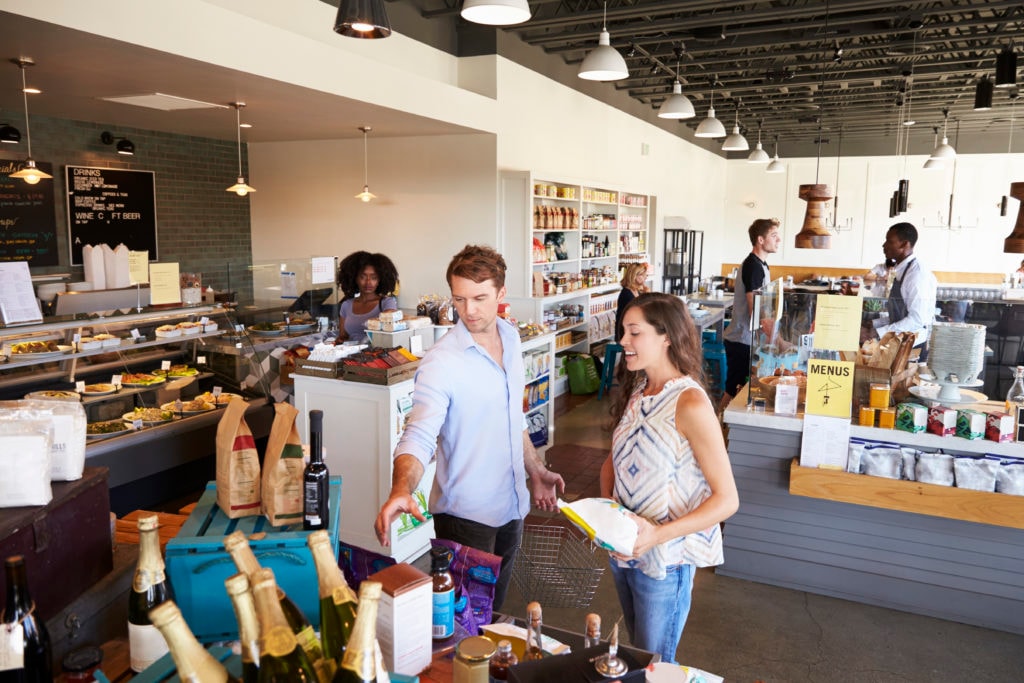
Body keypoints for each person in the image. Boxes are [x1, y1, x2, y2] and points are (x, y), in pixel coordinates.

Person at [374, 244, 565, 610]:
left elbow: (513, 418)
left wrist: (535, 469)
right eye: (459, 300)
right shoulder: (442, 362)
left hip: (512, 507)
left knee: (492, 613)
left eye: (479, 298)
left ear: (501, 294)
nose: (469, 311)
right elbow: (418, 434)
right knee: (461, 623)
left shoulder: (510, 337)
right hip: (466, 519)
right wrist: (402, 488)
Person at [599, 293, 739, 663]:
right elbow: (611, 463)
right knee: (640, 655)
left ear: (667, 337)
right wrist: (608, 518)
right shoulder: (638, 391)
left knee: (655, 664)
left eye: (634, 333)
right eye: (623, 332)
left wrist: (656, 535)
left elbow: (727, 500)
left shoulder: (689, 403)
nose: (623, 342)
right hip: (627, 552)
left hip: (666, 561)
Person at [720, 218, 781, 411]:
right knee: (733, 389)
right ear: (760, 240)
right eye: (774, 235)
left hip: (747, 339)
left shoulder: (761, 265)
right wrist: (777, 340)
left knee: (740, 387)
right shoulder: (753, 266)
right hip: (741, 339)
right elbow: (756, 310)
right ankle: (717, 425)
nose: (778, 240)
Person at [870, 222, 937, 351]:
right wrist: (874, 324)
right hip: (900, 341)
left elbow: (917, 320)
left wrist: (879, 332)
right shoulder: (901, 269)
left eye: (889, 241)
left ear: (905, 244)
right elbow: (900, 315)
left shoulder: (917, 274)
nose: (884, 245)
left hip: (913, 346)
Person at [336, 251, 399, 343]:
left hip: (374, 354)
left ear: (379, 281)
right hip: (350, 355)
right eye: (363, 277)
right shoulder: (346, 305)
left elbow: (388, 334)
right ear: (355, 279)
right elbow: (343, 337)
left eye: (374, 278)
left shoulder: (387, 303)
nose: (368, 282)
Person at [615, 262, 649, 342]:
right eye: (642, 275)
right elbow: (640, 312)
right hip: (625, 332)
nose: (645, 277)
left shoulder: (637, 291)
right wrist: (648, 296)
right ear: (634, 276)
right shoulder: (626, 294)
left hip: (633, 328)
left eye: (645, 275)